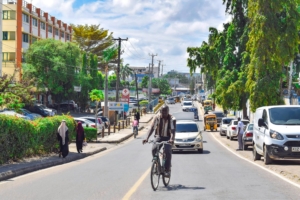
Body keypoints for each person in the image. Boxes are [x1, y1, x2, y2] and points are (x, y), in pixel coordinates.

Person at [142, 105, 175, 177]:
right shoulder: (157, 118)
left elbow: (172, 131)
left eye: (165, 112)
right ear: (160, 112)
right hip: (159, 136)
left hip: (168, 137)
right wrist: (146, 138)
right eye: (162, 112)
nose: (164, 113)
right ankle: (158, 166)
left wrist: (171, 139)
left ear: (168, 112)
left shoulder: (171, 119)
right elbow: (152, 129)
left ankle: (167, 170)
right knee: (154, 149)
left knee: (167, 151)